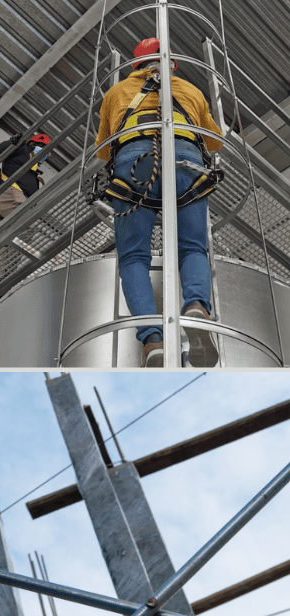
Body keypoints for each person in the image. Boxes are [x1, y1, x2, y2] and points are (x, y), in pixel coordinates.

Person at [96, 37, 223, 368]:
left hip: (134, 163)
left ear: (135, 65)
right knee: (193, 248)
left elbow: (104, 149)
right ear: (171, 64)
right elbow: (213, 141)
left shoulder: (116, 93)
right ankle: (196, 308)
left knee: (134, 257)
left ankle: (153, 341)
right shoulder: (191, 91)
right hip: (186, 160)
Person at [0, 132, 50, 218]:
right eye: (42, 146)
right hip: (11, 196)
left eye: (47, 151)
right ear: (32, 145)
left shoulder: (33, 170)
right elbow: (1, 149)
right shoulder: (22, 151)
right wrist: (13, 142)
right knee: (26, 225)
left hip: (18, 199)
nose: (44, 152)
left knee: (25, 226)